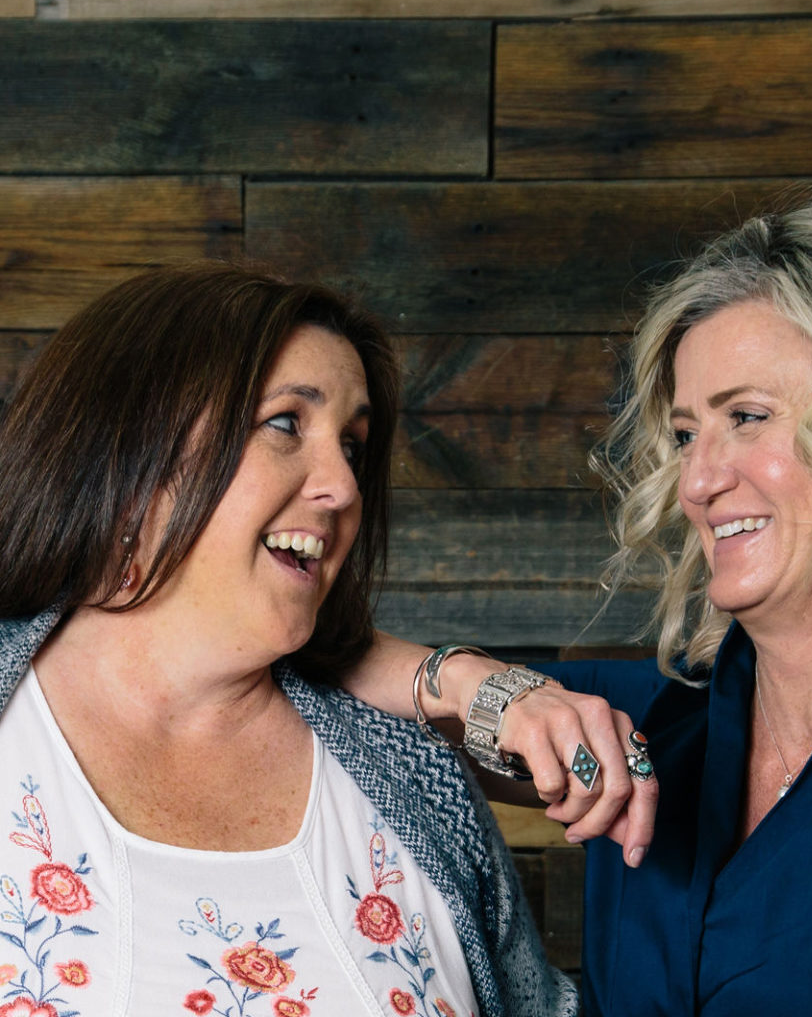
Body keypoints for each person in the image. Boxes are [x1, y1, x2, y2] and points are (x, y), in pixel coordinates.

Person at [345, 184, 812, 1016]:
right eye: (684, 435)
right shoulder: (650, 732)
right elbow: (302, 677)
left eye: (748, 416)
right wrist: (482, 687)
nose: (699, 482)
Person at [0, 262, 575, 1017]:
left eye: (354, 444)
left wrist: (466, 682)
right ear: (134, 445)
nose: (342, 486)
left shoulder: (414, 781)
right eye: (285, 423)